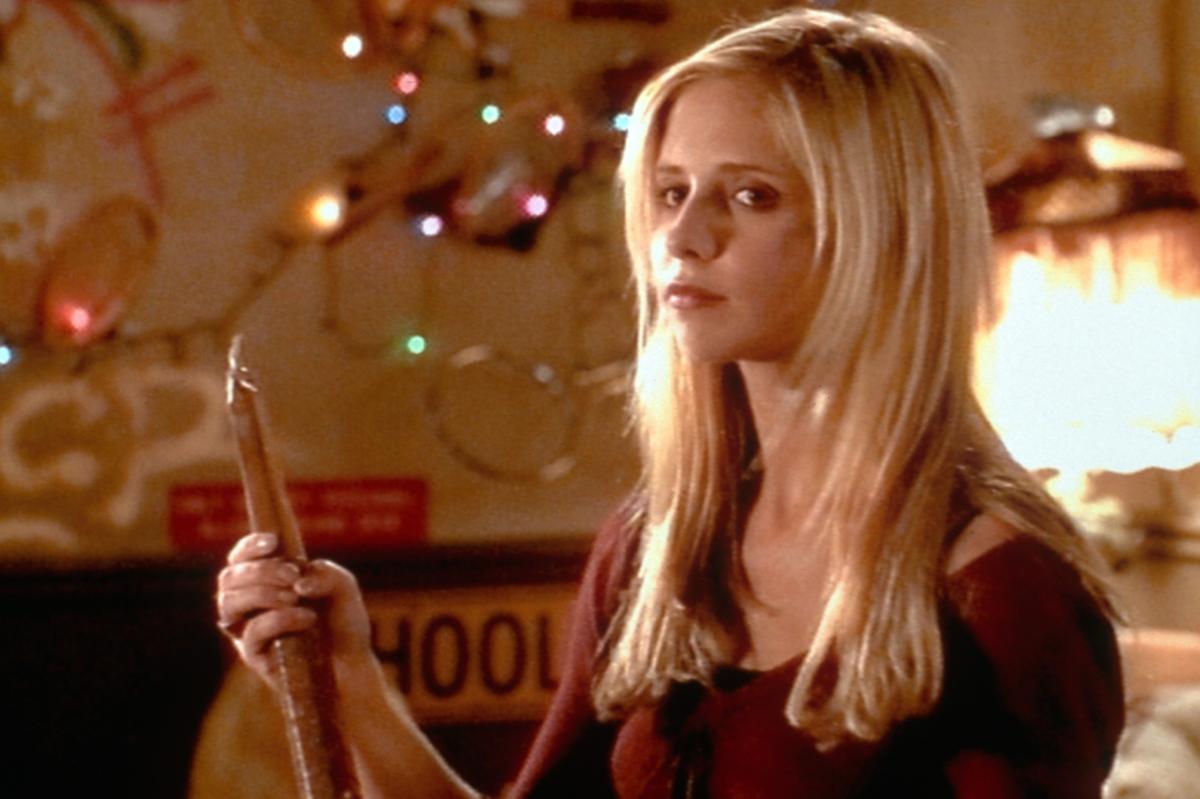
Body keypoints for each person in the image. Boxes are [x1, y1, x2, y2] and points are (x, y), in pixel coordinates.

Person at [215, 7, 1125, 797]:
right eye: (670, 192)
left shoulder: (1002, 585)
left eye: (751, 196)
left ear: (876, 227)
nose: (682, 237)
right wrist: (349, 678)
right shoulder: (656, 545)